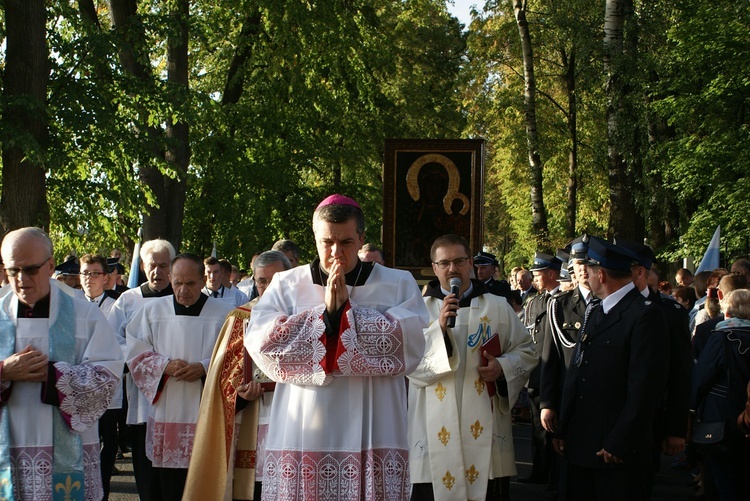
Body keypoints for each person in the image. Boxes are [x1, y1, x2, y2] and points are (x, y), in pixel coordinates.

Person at [246, 194, 428, 500]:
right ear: (315, 238)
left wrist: (346, 314)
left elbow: (410, 343)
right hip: (302, 421)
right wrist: (327, 315)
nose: (335, 252)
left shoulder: (398, 283)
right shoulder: (286, 284)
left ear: (361, 238)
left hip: (377, 418)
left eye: (345, 242)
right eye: (327, 242)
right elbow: (264, 343)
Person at [408, 234, 536, 500]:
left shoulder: (498, 306)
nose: (452, 269)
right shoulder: (417, 310)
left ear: (471, 264)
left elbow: (527, 351)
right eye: (444, 263)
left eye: (459, 261)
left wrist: (502, 367)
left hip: (486, 429)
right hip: (433, 434)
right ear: (434, 268)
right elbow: (409, 365)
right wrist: (439, 330)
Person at [0, 227, 122, 500]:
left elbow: (107, 376)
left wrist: (52, 375)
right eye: (12, 270)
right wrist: (4, 371)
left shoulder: (83, 314)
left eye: (30, 269)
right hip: (6, 450)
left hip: (68, 451)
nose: (21, 279)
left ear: (51, 265)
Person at [554, 237, 668, 500]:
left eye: (589, 270)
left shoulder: (644, 315)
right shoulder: (596, 311)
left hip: (615, 451)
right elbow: (578, 373)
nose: (584, 275)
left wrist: (621, 440)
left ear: (601, 274)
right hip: (582, 443)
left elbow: (645, 389)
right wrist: (565, 428)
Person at [184, 250, 292, 500]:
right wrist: (240, 395)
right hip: (254, 421)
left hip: (296, 416)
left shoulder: (307, 316)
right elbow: (223, 383)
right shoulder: (241, 317)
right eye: (261, 281)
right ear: (254, 281)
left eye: (275, 280)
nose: (267, 287)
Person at [127, 254, 234, 501]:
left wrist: (205, 368)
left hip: (206, 409)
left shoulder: (225, 315)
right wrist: (163, 365)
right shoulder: (151, 311)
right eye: (177, 283)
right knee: (167, 486)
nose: (183, 290)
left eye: (190, 284)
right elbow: (134, 351)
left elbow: (236, 356)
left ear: (203, 279)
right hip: (167, 407)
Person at [616, 238, 692, 494]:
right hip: (607, 420)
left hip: (648, 423)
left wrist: (676, 429)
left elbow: (680, 374)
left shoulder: (670, 313)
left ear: (639, 271)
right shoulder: (604, 307)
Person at [108, 238, 175, 501]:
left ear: (172, 266)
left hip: (178, 389)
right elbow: (112, 340)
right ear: (143, 266)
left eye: (163, 265)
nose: (157, 271)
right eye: (152, 265)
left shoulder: (183, 297)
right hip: (140, 397)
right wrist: (148, 362)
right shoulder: (128, 300)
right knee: (145, 469)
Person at [541, 235, 595, 497]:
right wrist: (547, 403)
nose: (582, 268)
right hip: (567, 400)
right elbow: (549, 359)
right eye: (577, 262)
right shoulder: (560, 305)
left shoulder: (608, 303)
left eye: (587, 261)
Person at [692, 289, 750, 501]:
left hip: (722, 421)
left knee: (724, 481)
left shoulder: (721, 337)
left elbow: (701, 378)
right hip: (745, 419)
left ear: (727, 312)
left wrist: (691, 409)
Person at [79, 253, 124, 500]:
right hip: (81, 386)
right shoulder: (72, 305)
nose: (89, 278)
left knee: (108, 442)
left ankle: (104, 491)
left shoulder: (117, 305)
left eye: (94, 273)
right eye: (85, 273)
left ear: (106, 278)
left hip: (110, 388)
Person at [521, 252, 562, 487]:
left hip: (554, 372)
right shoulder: (535, 301)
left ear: (551, 274)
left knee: (554, 427)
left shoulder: (563, 300)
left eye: (537, 274)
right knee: (537, 427)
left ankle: (554, 477)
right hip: (537, 372)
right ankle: (539, 470)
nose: (535, 279)